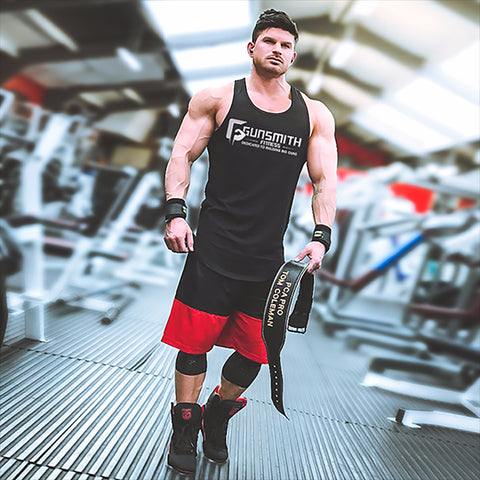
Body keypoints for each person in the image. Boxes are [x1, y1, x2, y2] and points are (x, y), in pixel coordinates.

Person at [161, 9, 337, 475]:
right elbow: (182, 153)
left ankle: (217, 413)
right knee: (194, 345)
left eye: (286, 45)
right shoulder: (218, 98)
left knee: (255, 351)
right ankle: (185, 424)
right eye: (269, 41)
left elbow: (325, 182)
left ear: (293, 55)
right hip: (212, 250)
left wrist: (321, 238)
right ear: (252, 48)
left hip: (267, 260)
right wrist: (176, 213)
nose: (277, 50)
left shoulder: (313, 114)